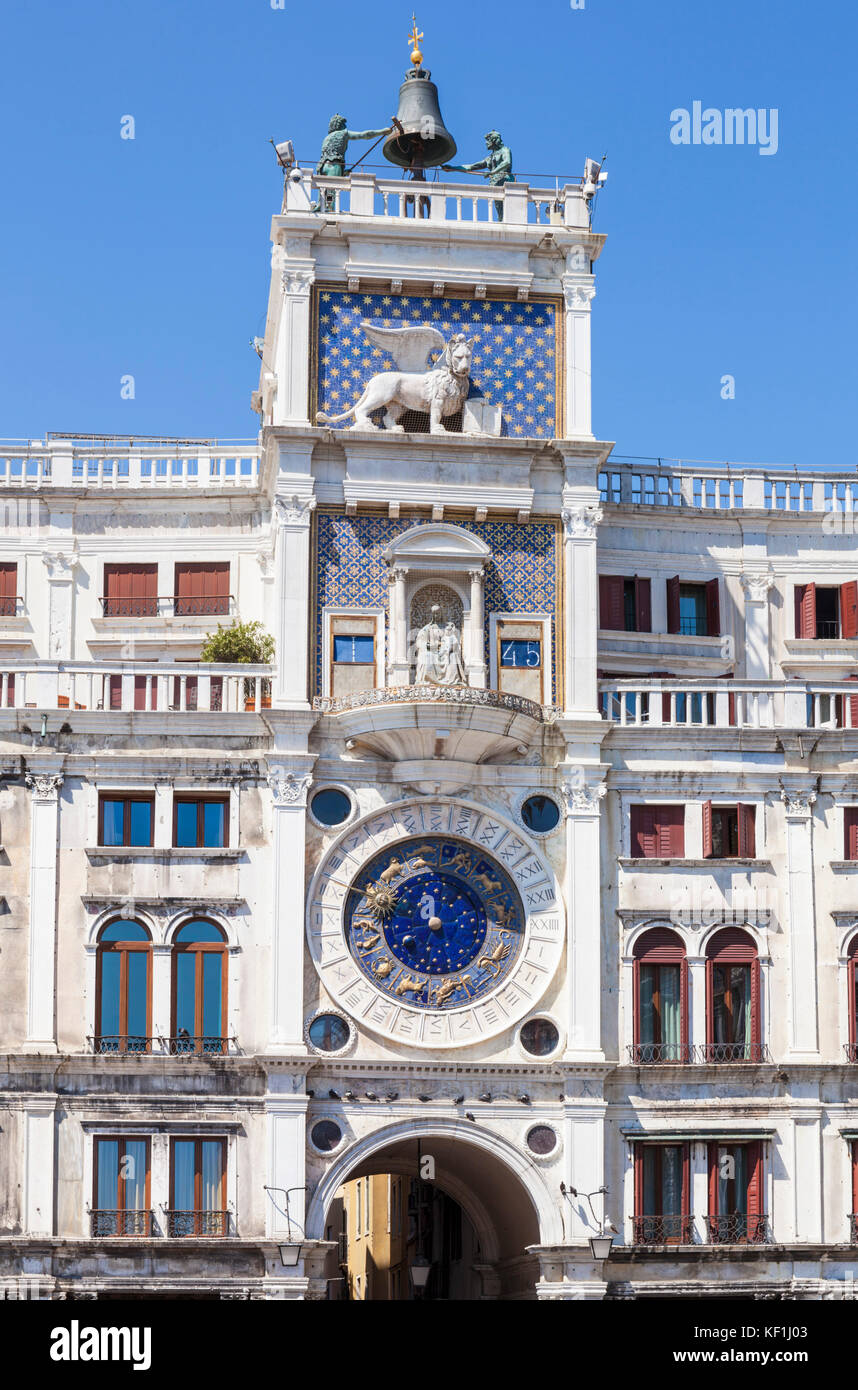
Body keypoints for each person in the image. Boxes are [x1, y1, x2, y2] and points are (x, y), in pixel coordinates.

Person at [443, 130, 514, 221]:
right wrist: (453, 168)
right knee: (499, 210)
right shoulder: (489, 158)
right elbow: (471, 166)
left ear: (494, 140)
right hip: (495, 184)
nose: (486, 143)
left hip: (505, 181)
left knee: (506, 210)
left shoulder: (505, 150)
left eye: (488, 141)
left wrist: (492, 172)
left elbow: (507, 162)